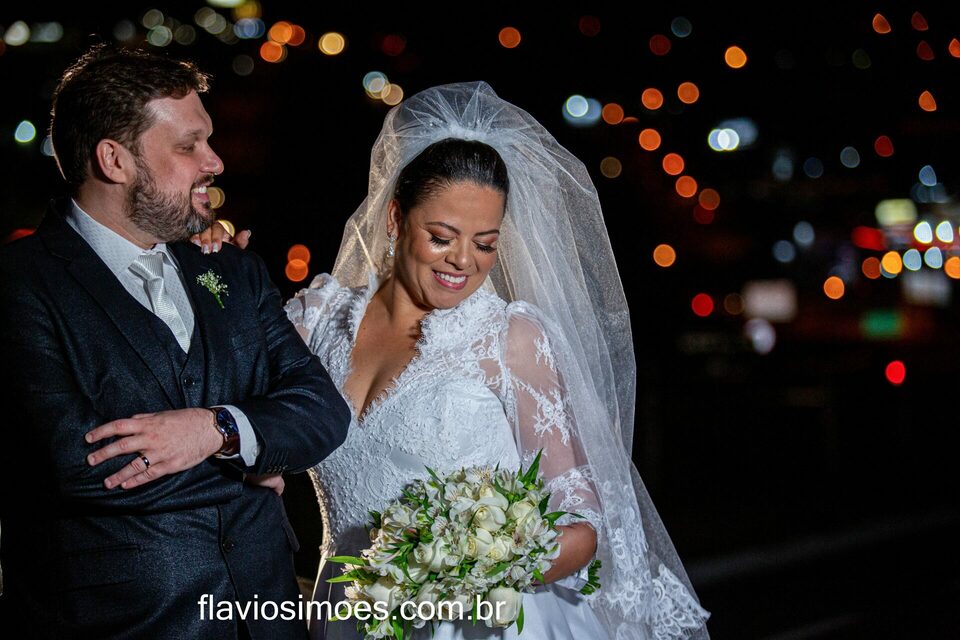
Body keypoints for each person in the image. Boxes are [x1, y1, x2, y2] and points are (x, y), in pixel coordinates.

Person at [209, 81, 710, 639]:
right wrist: (211, 269)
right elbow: (239, 414)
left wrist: (472, 566)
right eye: (443, 236)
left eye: (486, 242)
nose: (464, 261)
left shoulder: (510, 337)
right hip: (347, 616)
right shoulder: (317, 318)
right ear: (397, 219)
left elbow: (582, 523)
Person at [0, 44, 351, 639]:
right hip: (119, 624)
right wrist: (247, 461)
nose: (214, 161)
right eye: (188, 146)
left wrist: (220, 431)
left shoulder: (233, 269)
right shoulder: (19, 284)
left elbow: (323, 413)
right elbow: (80, 468)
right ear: (115, 160)